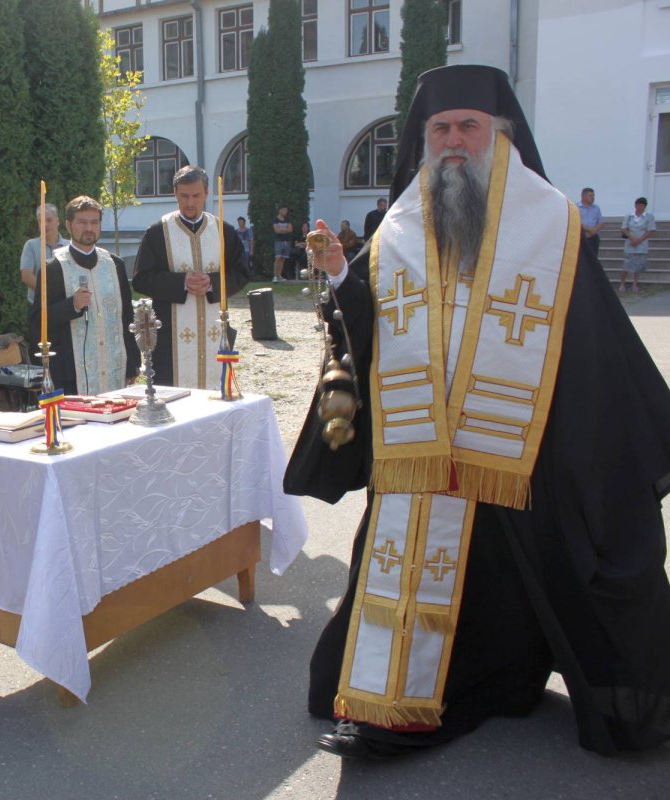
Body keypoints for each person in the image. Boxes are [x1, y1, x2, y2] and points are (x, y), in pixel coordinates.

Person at [286, 64, 670, 761]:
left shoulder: (549, 222)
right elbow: (370, 330)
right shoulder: (401, 225)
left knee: (527, 579)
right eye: (441, 129)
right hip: (421, 448)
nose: (454, 141)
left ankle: (506, 678)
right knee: (406, 561)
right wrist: (344, 273)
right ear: (424, 141)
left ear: (502, 136)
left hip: (518, 446)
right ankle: (387, 707)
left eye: (469, 126)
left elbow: (590, 339)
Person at [132, 166, 250, 389]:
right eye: (184, 196)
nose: (190, 202)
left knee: (215, 396)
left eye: (196, 196)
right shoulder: (158, 232)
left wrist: (212, 283)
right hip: (171, 338)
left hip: (215, 332)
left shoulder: (223, 230)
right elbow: (141, 279)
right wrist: (182, 282)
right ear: (175, 193)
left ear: (206, 193)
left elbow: (241, 273)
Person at [27, 195, 140, 394]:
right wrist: (72, 306)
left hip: (114, 367)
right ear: (69, 226)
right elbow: (38, 320)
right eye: (82, 222)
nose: (89, 228)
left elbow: (126, 316)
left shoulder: (115, 264)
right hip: (72, 373)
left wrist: (133, 361)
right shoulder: (52, 268)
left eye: (94, 222)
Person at [19, 203, 69, 303]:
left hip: (64, 304)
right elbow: (26, 276)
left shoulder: (70, 246)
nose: (45, 224)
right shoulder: (31, 245)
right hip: (38, 306)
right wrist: (49, 294)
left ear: (58, 221)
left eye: (49, 220)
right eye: (41, 221)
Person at [620, 197, 657, 293]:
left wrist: (639, 240)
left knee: (638, 266)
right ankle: (622, 283)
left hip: (642, 244)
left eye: (642, 206)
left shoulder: (649, 217)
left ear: (645, 207)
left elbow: (650, 230)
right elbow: (624, 228)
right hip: (630, 243)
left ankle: (635, 283)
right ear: (635, 206)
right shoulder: (629, 216)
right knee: (626, 265)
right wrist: (632, 238)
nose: (639, 207)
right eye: (638, 205)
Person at [577, 187, 603, 261]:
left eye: (593, 195)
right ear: (584, 196)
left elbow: (601, 222)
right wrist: (589, 229)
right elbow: (576, 222)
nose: (593, 198)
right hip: (581, 237)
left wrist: (593, 231)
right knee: (581, 259)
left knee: (593, 259)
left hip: (593, 238)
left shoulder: (596, 208)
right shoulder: (576, 207)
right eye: (590, 196)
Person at [271, 206, 293, 282]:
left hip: (286, 241)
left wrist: (282, 229)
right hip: (278, 241)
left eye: (286, 210)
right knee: (278, 258)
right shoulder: (275, 220)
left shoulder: (287, 219)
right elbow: (277, 230)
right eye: (284, 210)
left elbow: (290, 229)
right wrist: (285, 229)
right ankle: (275, 276)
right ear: (280, 210)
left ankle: (279, 275)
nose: (285, 212)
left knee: (283, 259)